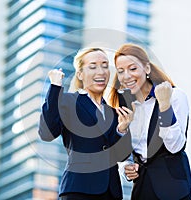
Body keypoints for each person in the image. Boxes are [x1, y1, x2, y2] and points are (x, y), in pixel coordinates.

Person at [38, 47, 134, 200]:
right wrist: (55, 87)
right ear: (80, 74)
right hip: (79, 190)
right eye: (93, 66)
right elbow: (47, 133)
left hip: (111, 193)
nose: (101, 71)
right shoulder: (68, 101)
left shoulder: (113, 112)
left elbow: (121, 155)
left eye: (104, 65)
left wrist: (122, 130)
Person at [109, 43, 191, 200]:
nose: (126, 76)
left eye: (132, 69)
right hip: (142, 188)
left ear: (147, 68)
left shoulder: (175, 96)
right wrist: (127, 167)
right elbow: (126, 154)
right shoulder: (125, 106)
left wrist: (165, 106)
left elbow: (175, 146)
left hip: (173, 189)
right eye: (121, 71)